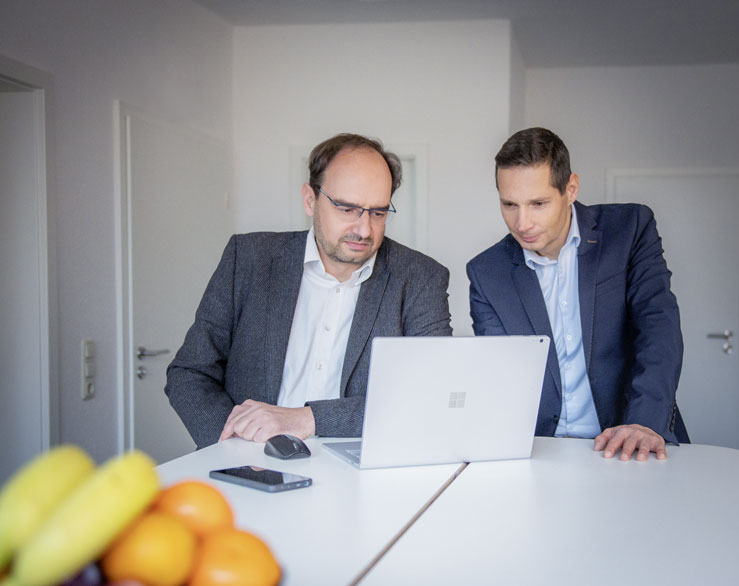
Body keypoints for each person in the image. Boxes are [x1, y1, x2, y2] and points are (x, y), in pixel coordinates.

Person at [166, 133, 452, 448]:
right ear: (310, 200)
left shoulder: (420, 278)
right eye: (347, 209)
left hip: (358, 465)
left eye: (378, 213)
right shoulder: (248, 259)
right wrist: (232, 446)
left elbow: (430, 394)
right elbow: (190, 372)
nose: (363, 229)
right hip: (249, 460)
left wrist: (307, 419)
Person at [466, 127, 688, 461]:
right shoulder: (487, 273)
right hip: (538, 452)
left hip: (627, 441)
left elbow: (658, 327)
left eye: (538, 203)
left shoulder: (629, 229)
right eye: (509, 204)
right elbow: (501, 373)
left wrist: (644, 422)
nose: (522, 223)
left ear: (570, 189)